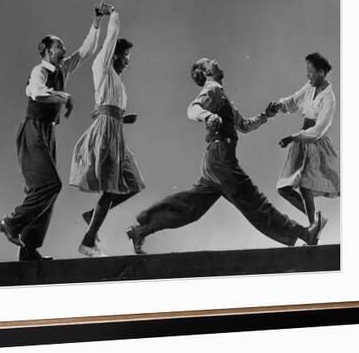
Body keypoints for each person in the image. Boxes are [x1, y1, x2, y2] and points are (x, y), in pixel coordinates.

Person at [126, 57, 324, 254]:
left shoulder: (222, 96)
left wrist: (265, 115)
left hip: (215, 160)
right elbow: (192, 109)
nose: (214, 61)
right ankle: (306, 234)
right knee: (254, 201)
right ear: (206, 73)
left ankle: (141, 230)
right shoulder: (211, 90)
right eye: (209, 62)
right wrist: (208, 116)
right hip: (221, 159)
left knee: (190, 208)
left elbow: (244, 126)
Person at [0, 1, 111, 261]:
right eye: (59, 46)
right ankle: (11, 223)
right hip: (32, 131)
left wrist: (96, 22)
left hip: (47, 133)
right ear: (48, 51)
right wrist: (66, 96)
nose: (65, 49)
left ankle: (28, 250)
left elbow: (86, 50)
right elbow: (37, 94)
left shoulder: (62, 69)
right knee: (49, 186)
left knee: (43, 191)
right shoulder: (39, 71)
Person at [70, 6, 145, 257]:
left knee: (133, 184)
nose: (127, 62)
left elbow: (108, 107)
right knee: (111, 190)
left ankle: (92, 216)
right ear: (114, 55)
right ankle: (88, 242)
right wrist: (112, 14)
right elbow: (110, 37)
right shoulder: (102, 66)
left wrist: (124, 117)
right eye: (125, 57)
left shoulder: (117, 81)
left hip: (116, 134)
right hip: (105, 135)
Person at [268, 52, 339, 229]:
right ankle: (316, 220)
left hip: (315, 144)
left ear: (321, 72)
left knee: (306, 185)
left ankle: (313, 227)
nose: (308, 75)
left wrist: (293, 137)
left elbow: (318, 131)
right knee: (284, 188)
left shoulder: (329, 98)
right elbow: (293, 101)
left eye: (311, 71)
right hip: (302, 139)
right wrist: (278, 105)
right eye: (307, 71)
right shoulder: (310, 86)